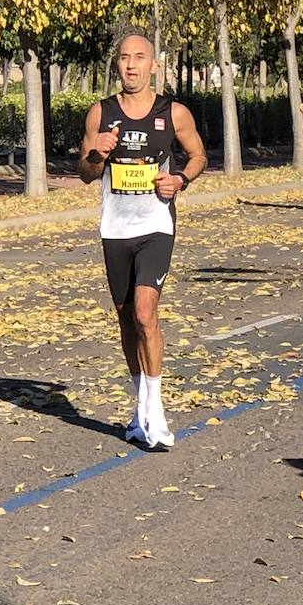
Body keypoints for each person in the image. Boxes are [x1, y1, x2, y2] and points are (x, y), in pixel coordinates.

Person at [79, 32, 207, 449]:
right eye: (123, 58)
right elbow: (85, 173)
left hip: (156, 225)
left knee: (145, 312)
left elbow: (199, 155)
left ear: (154, 64)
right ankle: (139, 406)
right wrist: (96, 152)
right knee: (125, 318)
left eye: (139, 58)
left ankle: (155, 409)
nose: (131, 65)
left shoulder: (174, 112)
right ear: (116, 65)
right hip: (114, 229)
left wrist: (181, 180)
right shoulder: (101, 112)